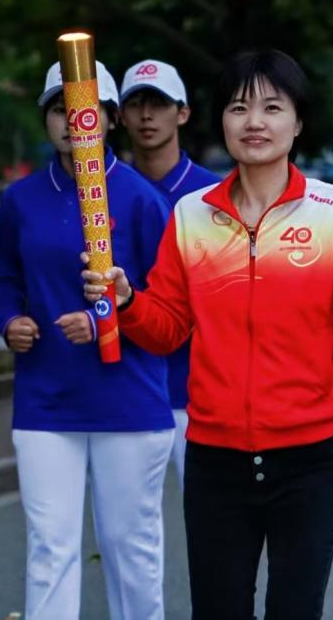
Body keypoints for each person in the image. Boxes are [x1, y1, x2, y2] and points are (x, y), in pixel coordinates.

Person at [81, 49, 333, 620]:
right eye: (238, 108)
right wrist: (128, 302)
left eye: (272, 108)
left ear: (298, 123)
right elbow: (168, 329)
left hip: (310, 458)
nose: (254, 122)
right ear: (221, 122)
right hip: (215, 459)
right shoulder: (191, 216)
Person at [0, 61, 174, 620]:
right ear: (46, 119)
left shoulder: (141, 200)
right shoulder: (21, 200)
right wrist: (9, 320)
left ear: (111, 120)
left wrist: (104, 321)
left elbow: (168, 300)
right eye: (59, 109)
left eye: (86, 110)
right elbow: (3, 274)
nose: (73, 121)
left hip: (130, 396)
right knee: (51, 546)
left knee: (129, 546)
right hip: (46, 397)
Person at [119, 58, 223, 489]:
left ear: (182, 113)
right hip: (125, 389)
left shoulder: (216, 194)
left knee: (212, 517)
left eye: (159, 104)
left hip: (198, 391)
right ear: (119, 116)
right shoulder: (103, 193)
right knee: (131, 521)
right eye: (136, 104)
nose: (147, 116)